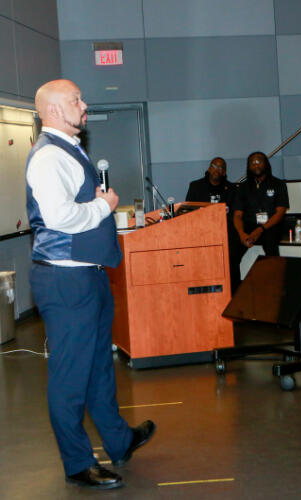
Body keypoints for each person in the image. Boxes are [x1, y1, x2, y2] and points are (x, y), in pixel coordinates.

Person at [26, 80, 156, 490]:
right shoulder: (48, 157)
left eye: (81, 99)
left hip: (87, 276)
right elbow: (61, 217)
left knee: (99, 368)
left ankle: (118, 440)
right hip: (66, 281)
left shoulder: (67, 149)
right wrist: (105, 204)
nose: (85, 105)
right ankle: (78, 463)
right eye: (75, 100)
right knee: (70, 376)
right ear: (51, 111)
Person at [232, 152, 289, 282]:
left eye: (259, 161)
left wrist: (260, 230)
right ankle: (235, 292)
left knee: (271, 249)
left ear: (266, 164)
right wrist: (241, 234)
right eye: (252, 162)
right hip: (249, 225)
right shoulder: (243, 187)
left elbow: (280, 213)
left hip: (270, 226)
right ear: (248, 166)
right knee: (232, 254)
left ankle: (274, 289)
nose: (256, 165)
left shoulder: (279, 184)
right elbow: (237, 215)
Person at [185, 157, 240, 292]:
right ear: (209, 168)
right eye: (214, 166)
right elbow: (188, 212)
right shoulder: (196, 186)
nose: (217, 169)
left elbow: (235, 215)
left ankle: (233, 295)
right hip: (202, 234)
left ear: (224, 172)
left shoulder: (232, 189)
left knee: (232, 260)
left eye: (221, 167)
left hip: (225, 234)